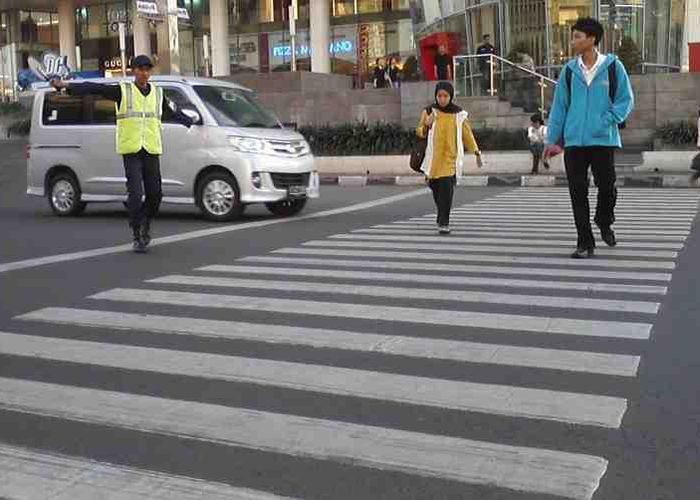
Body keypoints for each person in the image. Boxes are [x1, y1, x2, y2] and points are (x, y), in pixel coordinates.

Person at [51, 55, 195, 253]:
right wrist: (65, 86)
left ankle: (144, 221)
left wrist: (189, 121)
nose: (144, 73)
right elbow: (94, 88)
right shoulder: (123, 90)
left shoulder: (158, 94)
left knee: (155, 195)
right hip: (131, 150)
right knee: (135, 195)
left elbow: (172, 111)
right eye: (140, 69)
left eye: (147, 69)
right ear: (134, 71)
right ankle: (137, 231)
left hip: (151, 150)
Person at [544, 18, 634, 259]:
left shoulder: (614, 67)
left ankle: (604, 221)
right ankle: (585, 242)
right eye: (573, 36)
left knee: (607, 188)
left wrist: (604, 120)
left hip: (603, 139)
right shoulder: (569, 72)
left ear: (592, 38)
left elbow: (626, 100)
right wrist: (552, 140)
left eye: (577, 36)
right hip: (574, 142)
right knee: (577, 191)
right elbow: (559, 107)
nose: (573, 41)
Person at [416, 81, 483, 235]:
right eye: (439, 96)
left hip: (450, 160)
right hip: (433, 160)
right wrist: (426, 125)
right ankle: (441, 214)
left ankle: (443, 222)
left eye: (445, 96)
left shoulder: (459, 115)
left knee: (446, 190)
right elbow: (419, 131)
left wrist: (476, 152)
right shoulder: (429, 112)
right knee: (436, 189)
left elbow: (467, 135)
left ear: (451, 96)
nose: (442, 99)